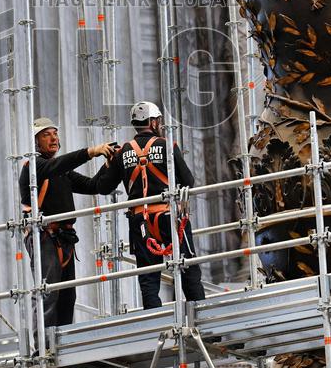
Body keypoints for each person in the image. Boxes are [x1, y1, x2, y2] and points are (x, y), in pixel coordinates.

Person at [91, 101, 204, 309]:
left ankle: (156, 328)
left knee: (148, 278)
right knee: (188, 268)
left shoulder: (123, 152)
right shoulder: (167, 145)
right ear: (153, 122)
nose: (160, 124)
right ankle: (205, 324)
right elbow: (188, 181)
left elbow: (104, 187)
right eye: (158, 121)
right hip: (169, 215)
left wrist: (110, 162)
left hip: (140, 220)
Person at [20, 117, 116, 328]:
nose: (53, 138)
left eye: (55, 133)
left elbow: (94, 186)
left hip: (63, 238)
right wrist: (91, 152)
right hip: (44, 236)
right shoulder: (34, 167)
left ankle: (62, 342)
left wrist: (109, 163)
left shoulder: (60, 172)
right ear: (35, 141)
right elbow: (56, 165)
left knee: (67, 296)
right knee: (48, 292)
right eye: (46, 134)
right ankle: (44, 346)